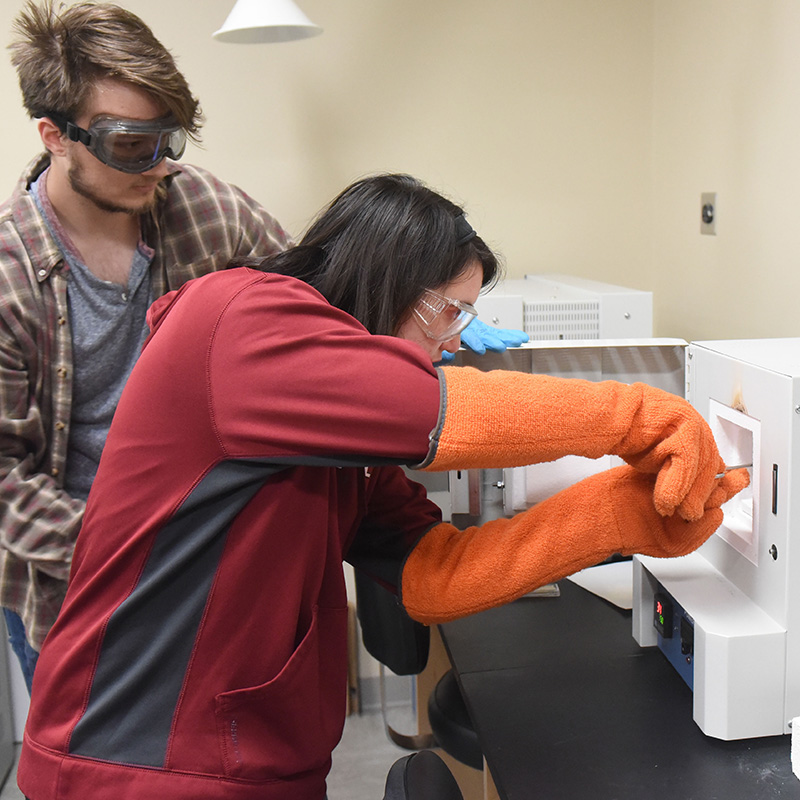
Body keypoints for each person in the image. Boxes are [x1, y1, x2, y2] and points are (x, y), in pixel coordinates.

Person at [17, 173, 748, 800]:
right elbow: (440, 411)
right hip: (140, 756)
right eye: (452, 310)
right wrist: (642, 415)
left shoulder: (344, 443)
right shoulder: (239, 320)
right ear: (388, 277)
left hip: (251, 758)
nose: (459, 338)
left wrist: (616, 514)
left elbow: (434, 577)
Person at [0, 1, 528, 693]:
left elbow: (316, 303)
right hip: (76, 580)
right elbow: (6, 480)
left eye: (172, 140)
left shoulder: (207, 210)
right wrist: (135, 552)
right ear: (55, 134)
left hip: (214, 567)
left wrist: (422, 316)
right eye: (133, 145)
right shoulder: (10, 280)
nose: (159, 165)